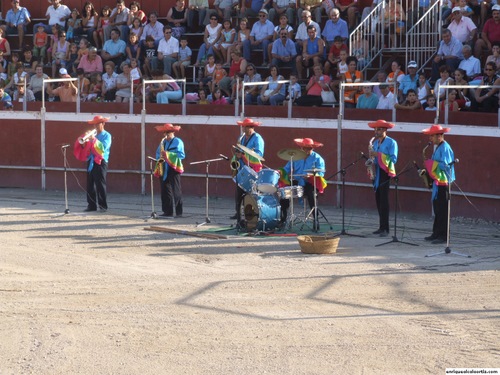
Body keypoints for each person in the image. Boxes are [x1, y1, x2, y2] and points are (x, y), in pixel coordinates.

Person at [279, 137, 326, 229]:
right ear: (301, 148)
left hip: (310, 182)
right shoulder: (295, 157)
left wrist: (311, 175)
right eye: (305, 148)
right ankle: (283, 218)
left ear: (312, 148)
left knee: (311, 194)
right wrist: (280, 172)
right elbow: (286, 169)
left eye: (309, 148)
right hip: (297, 181)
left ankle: (315, 220)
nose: (307, 150)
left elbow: (321, 173)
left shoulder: (318, 158)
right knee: (284, 192)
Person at [421, 124, 455, 244]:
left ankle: (443, 236)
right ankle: (436, 233)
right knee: (437, 209)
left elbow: (445, 165)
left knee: (442, 210)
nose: (430, 139)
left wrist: (431, 164)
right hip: (438, 182)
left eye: (432, 136)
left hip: (443, 182)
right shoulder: (439, 147)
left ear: (440, 136)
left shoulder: (444, 147)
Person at [367, 119, 398, 237]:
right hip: (377, 172)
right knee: (378, 200)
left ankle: (386, 228)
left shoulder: (391, 142)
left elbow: (393, 159)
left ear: (385, 130)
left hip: (385, 173)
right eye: (376, 129)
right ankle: (381, 226)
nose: (377, 131)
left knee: (384, 201)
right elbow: (373, 158)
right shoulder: (375, 143)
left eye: (379, 129)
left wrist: (378, 155)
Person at [75, 116, 112, 212]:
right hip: (91, 160)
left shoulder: (107, 135)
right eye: (94, 124)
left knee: (100, 184)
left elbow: (103, 148)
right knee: (90, 184)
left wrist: (93, 140)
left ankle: (103, 206)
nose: (95, 126)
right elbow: (86, 149)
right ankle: (91, 205)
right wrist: (84, 142)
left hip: (101, 161)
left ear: (103, 124)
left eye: (98, 123)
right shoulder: (93, 135)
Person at [230, 118, 264, 220]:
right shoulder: (242, 138)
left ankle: (250, 215)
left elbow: (259, 155)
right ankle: (238, 214)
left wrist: (243, 155)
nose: (243, 129)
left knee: (250, 194)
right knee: (238, 192)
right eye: (243, 126)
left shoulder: (258, 138)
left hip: (253, 169)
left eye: (245, 127)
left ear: (251, 127)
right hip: (242, 169)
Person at [155, 123, 185, 218]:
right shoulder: (162, 143)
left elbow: (181, 155)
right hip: (163, 167)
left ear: (172, 132)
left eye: (167, 132)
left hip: (174, 168)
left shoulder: (178, 141)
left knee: (176, 190)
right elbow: (157, 154)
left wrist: (168, 154)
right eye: (164, 132)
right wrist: (159, 158)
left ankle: (179, 212)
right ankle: (167, 211)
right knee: (165, 190)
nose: (165, 134)